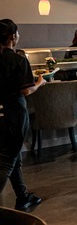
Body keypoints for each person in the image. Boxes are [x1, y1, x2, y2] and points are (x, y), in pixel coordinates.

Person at [0, 19, 44, 211]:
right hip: (14, 113)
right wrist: (40, 83)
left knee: (12, 154)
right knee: (7, 159)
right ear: (12, 37)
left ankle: (22, 196)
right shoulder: (18, 60)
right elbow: (26, 91)